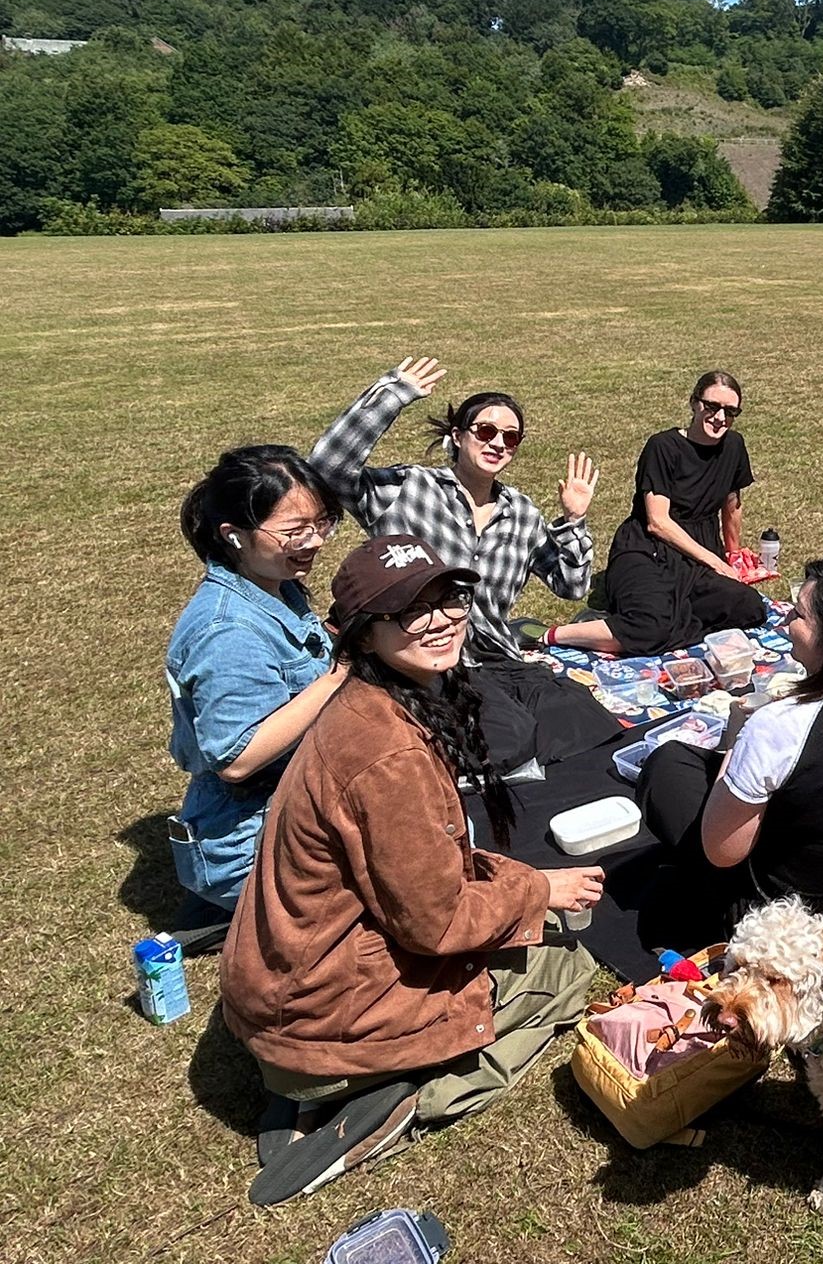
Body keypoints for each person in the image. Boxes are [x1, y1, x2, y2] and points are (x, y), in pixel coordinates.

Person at [221, 534, 603, 1205]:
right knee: (568, 970)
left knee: (524, 921)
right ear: (363, 637)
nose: (442, 619)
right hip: (318, 1018)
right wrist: (537, 891)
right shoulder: (388, 753)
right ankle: (403, 1101)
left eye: (448, 598)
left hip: (283, 1000)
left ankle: (314, 1088)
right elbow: (438, 923)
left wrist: (518, 884)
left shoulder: (367, 707)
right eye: (410, 610)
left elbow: (423, 864)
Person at [309, 356, 620, 766]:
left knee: (586, 720)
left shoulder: (521, 513)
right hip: (423, 659)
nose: (497, 444)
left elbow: (572, 586)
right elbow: (326, 468)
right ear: (457, 437)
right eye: (486, 431)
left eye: (510, 438)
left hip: (498, 657)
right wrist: (393, 394)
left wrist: (574, 521)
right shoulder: (410, 489)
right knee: (508, 740)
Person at [638, 555, 823, 951]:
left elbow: (723, 851)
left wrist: (740, 740)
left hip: (796, 931)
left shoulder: (781, 725)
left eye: (798, 615)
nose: (785, 623)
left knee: (666, 766)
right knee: (687, 761)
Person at [165, 447, 350, 928]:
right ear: (234, 535)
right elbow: (236, 758)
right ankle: (233, 909)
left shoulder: (275, 583)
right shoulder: (227, 632)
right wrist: (340, 673)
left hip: (295, 810)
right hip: (251, 841)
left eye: (322, 522)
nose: (315, 541)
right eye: (294, 531)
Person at [546, 370, 768, 656]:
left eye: (730, 411)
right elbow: (657, 523)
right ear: (694, 403)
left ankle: (647, 623)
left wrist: (733, 555)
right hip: (647, 550)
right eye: (711, 407)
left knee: (750, 608)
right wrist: (715, 561)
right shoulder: (663, 447)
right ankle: (557, 634)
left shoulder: (734, 446)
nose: (720, 418)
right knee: (650, 627)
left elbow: (732, 504)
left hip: (697, 554)